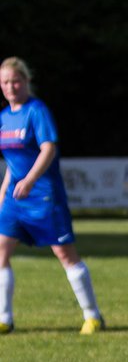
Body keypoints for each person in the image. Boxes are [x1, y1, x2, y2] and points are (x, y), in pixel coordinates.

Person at [0, 57, 104, 335]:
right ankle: (4, 319)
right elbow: (13, 161)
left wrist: (31, 180)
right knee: (1, 251)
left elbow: (48, 149)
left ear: (26, 81)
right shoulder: (4, 117)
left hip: (43, 195)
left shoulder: (37, 111)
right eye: (5, 82)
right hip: (15, 196)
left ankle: (92, 315)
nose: (11, 87)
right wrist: (4, 189)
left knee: (64, 254)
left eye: (16, 81)